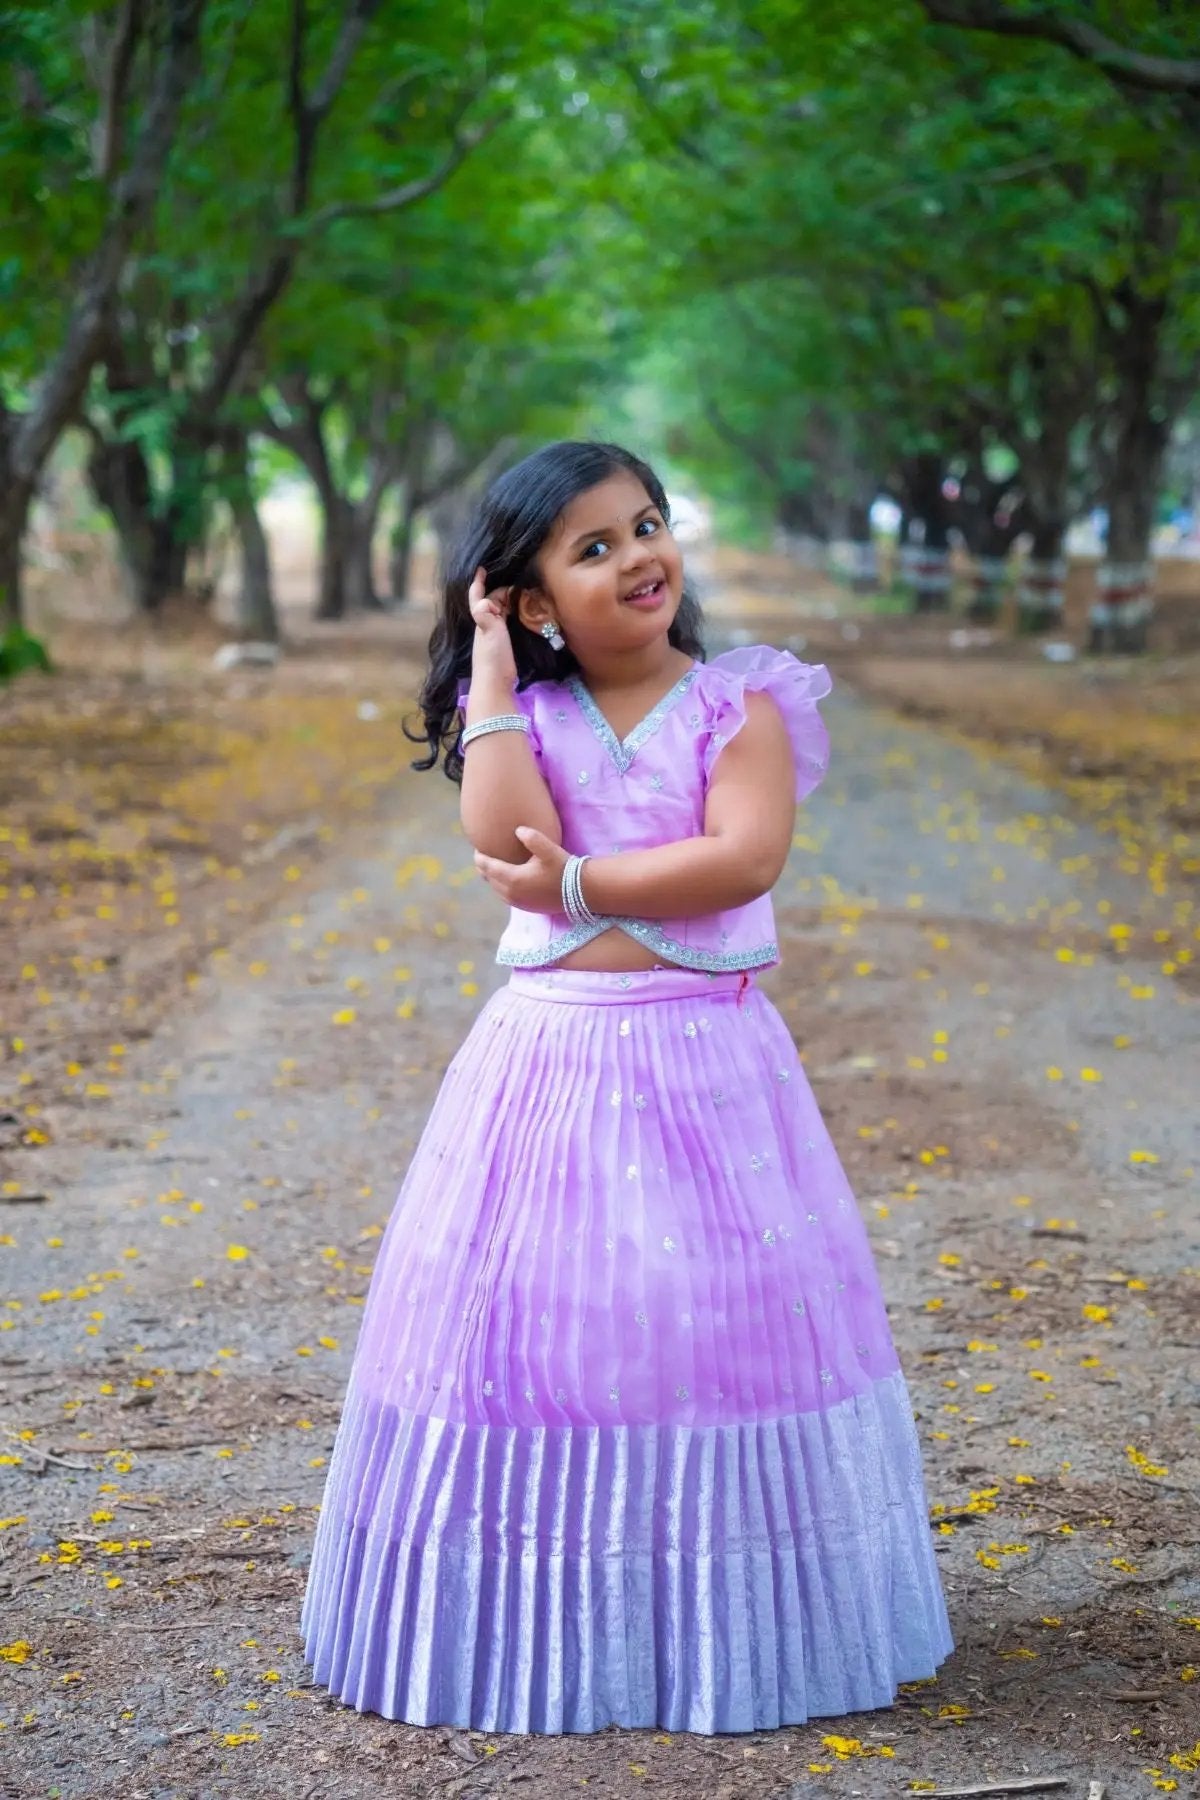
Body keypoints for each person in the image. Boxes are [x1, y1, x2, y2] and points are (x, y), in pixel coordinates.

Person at [299, 440, 952, 1735]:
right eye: (592, 548)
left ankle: (719, 1602)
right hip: (546, 1054)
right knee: (529, 1328)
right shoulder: (529, 718)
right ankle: (540, 1606)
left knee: (712, 1318)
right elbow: (500, 837)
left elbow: (742, 857)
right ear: (536, 599)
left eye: (645, 525)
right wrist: (490, 659)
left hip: (705, 1056)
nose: (638, 555)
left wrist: (583, 885)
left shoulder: (738, 704)